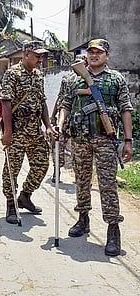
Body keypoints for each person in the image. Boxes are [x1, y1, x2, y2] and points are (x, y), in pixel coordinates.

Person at [58, 39, 133, 256]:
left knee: (107, 184)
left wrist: (128, 141)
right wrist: (61, 124)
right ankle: (83, 219)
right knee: (81, 181)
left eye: (99, 52)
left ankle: (113, 230)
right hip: (80, 139)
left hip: (104, 140)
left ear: (106, 56)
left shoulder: (115, 79)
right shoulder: (73, 78)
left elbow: (126, 109)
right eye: (91, 52)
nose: (94, 55)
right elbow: (65, 104)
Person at [1, 40, 55, 224]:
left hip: (35, 131)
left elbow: (42, 102)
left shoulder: (39, 76)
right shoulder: (12, 74)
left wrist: (47, 126)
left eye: (42, 56)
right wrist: (7, 131)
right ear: (25, 55)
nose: (41, 59)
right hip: (16, 130)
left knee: (41, 165)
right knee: (11, 169)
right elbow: (6, 103)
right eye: (37, 55)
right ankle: (10, 204)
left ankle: (25, 196)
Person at [49, 54, 87, 182]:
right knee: (60, 144)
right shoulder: (68, 79)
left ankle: (77, 174)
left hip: (80, 118)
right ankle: (57, 171)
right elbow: (61, 98)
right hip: (65, 117)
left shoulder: (89, 79)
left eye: (81, 63)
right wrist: (54, 114)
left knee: (78, 147)